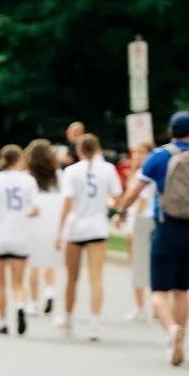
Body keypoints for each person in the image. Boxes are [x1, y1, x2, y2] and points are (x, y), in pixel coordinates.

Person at [115, 111, 189, 365]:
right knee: (182, 289)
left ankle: (171, 330)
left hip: (166, 226)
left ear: (171, 132)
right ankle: (180, 336)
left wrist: (121, 211)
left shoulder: (158, 157)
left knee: (159, 290)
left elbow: (136, 191)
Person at [55, 133, 121, 340]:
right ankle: (94, 324)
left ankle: (68, 317)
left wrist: (59, 230)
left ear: (79, 150)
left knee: (72, 277)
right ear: (98, 148)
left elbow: (67, 202)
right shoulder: (108, 169)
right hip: (98, 227)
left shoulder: (72, 171)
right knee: (96, 278)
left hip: (76, 227)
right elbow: (116, 196)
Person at [0, 144, 39, 335]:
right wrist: (24, 213)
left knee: (0, 283)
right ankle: (20, 305)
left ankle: (2, 322)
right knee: (18, 282)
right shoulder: (29, 181)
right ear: (19, 159)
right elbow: (35, 209)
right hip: (20, 235)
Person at [117, 139, 155, 323]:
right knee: (143, 266)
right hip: (141, 221)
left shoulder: (146, 174)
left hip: (141, 222)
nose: (138, 156)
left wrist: (132, 226)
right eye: (136, 153)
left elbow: (141, 202)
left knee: (138, 267)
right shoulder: (137, 173)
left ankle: (142, 307)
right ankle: (144, 306)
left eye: (142, 153)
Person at [24, 139, 63, 317]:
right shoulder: (58, 175)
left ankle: (33, 303)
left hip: (34, 219)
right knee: (49, 260)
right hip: (53, 218)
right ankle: (49, 291)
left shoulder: (27, 176)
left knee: (33, 264)